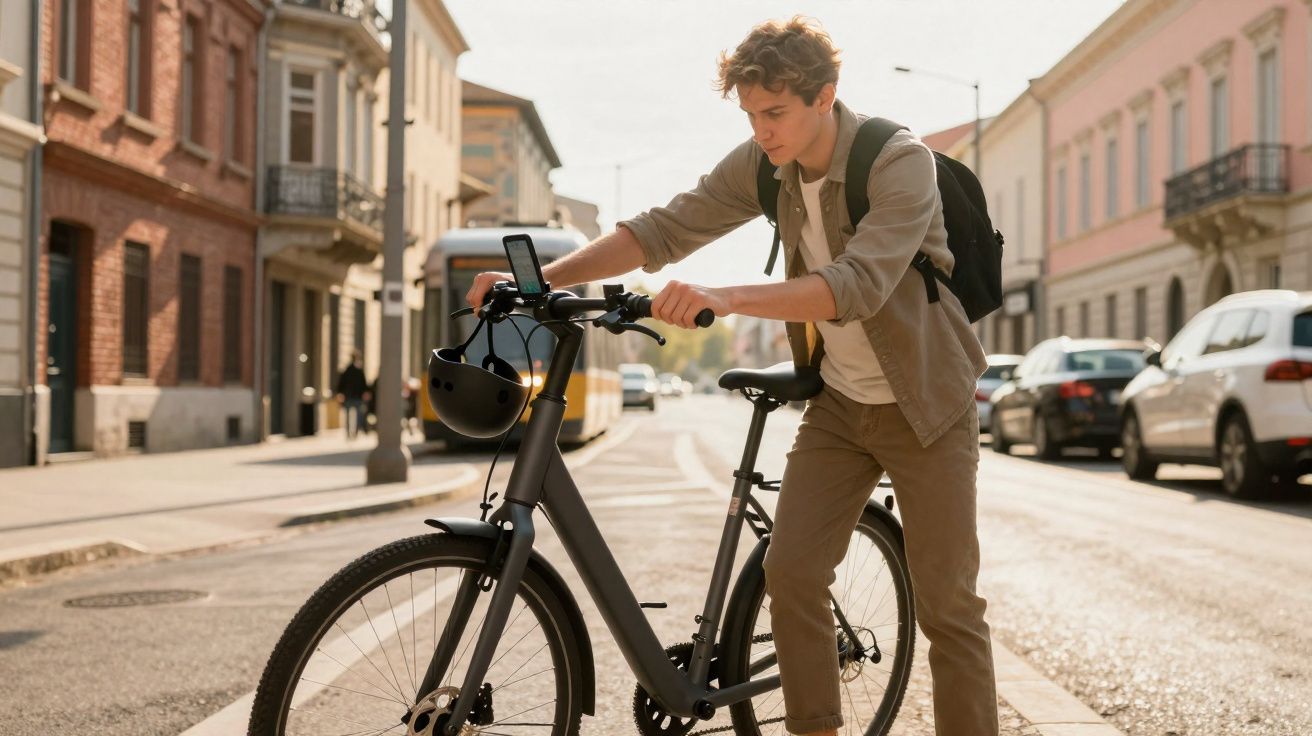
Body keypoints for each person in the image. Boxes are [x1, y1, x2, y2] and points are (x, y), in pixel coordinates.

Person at [466, 17, 996, 736]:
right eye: (750, 114)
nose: (762, 129)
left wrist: (726, 296)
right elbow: (662, 229)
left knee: (949, 609)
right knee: (792, 575)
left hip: (927, 406)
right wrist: (537, 279)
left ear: (824, 97)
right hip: (842, 404)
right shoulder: (764, 162)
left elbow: (858, 285)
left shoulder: (898, 160)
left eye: (774, 112)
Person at [334, 351, 370, 439]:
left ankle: (349, 432)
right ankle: (355, 432)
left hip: (349, 396)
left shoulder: (347, 370)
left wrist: (340, 393)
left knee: (349, 415)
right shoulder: (358, 371)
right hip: (356, 396)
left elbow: (341, 383)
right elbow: (364, 384)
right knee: (357, 415)